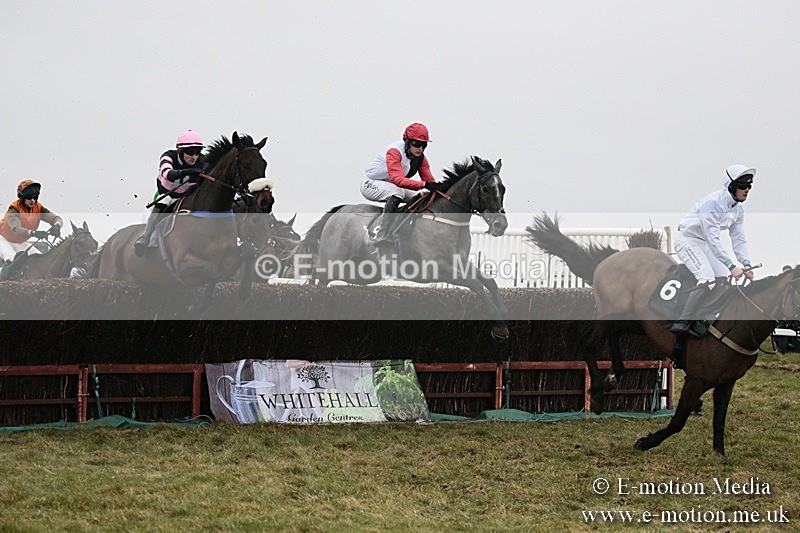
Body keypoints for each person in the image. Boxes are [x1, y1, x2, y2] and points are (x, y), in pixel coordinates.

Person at [671, 164, 757, 336]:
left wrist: (746, 263)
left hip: (704, 243)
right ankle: (682, 322)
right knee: (707, 278)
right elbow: (713, 239)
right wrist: (732, 266)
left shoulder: (738, 210)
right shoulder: (712, 204)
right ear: (732, 186)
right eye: (743, 186)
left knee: (722, 279)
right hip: (687, 240)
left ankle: (704, 317)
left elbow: (739, 238)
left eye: (749, 186)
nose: (747, 190)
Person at [361, 123, 447, 246]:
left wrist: (440, 188)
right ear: (407, 142)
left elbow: (429, 181)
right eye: (416, 144)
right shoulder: (394, 152)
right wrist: (424, 184)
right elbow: (398, 180)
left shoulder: (421, 158)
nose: (420, 148)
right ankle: (382, 233)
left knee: (420, 196)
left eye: (424, 145)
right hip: (370, 184)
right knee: (397, 192)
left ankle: (402, 229)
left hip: (392, 186)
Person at [134, 130, 209, 256]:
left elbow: (209, 168)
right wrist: (188, 171)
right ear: (180, 151)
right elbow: (167, 174)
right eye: (190, 152)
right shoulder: (168, 156)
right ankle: (145, 237)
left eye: (198, 152)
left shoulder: (202, 160)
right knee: (165, 200)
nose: (194, 157)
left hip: (187, 196)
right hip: (167, 194)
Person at [0, 180, 63, 279]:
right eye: (29, 197)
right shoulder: (14, 209)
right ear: (21, 197)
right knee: (12, 261)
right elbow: (15, 229)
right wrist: (33, 233)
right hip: (3, 239)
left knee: (38, 259)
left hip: (21, 242)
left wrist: (57, 226)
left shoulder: (38, 208)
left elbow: (56, 218)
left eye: (35, 197)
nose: (32, 200)